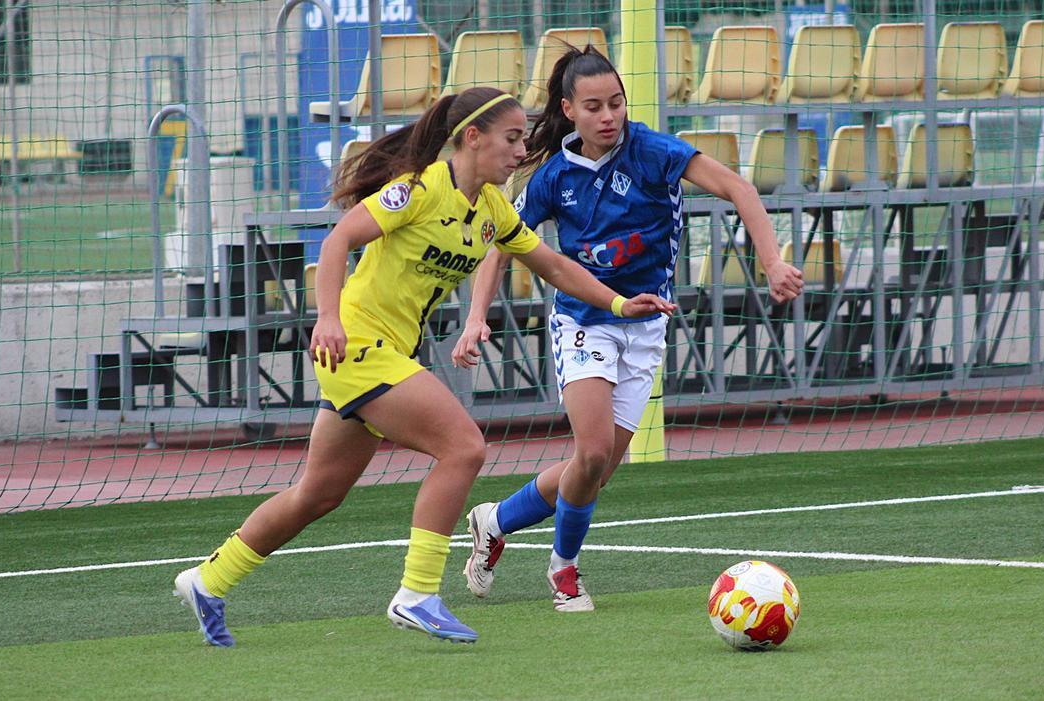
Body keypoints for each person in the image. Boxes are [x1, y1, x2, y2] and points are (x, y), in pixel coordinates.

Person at [171, 86, 675, 647]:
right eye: (510, 139)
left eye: (523, 140)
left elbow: (553, 265)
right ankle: (416, 594)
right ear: (472, 138)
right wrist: (328, 318)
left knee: (318, 493)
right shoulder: (416, 191)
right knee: (463, 447)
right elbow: (339, 240)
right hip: (358, 345)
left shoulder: (491, 210)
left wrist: (619, 304)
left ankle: (208, 580)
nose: (519, 152)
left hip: (384, 355)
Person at [453, 48, 804, 612]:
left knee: (592, 471)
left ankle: (495, 520)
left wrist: (772, 263)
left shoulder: (653, 152)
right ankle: (563, 571)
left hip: (645, 328)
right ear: (569, 110)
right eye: (593, 106)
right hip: (583, 320)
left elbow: (739, 187)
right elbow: (501, 240)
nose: (608, 116)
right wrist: (475, 319)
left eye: (615, 103)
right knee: (590, 452)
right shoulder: (554, 177)